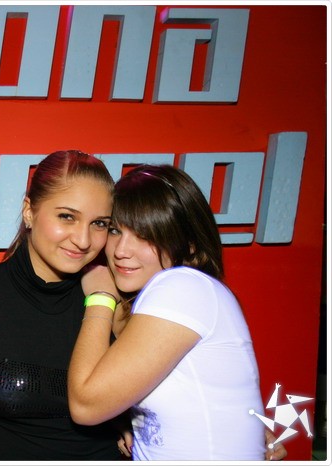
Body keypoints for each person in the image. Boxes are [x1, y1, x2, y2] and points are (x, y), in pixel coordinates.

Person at [68, 164, 266, 460]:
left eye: (144, 235)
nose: (121, 250)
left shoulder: (181, 286)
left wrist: (100, 297)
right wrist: (122, 415)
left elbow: (86, 405)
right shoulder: (169, 300)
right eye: (115, 230)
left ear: (189, 245)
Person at [0, 150, 126, 460]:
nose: (83, 240)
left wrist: (133, 417)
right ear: (29, 211)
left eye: (99, 223)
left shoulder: (113, 298)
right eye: (67, 216)